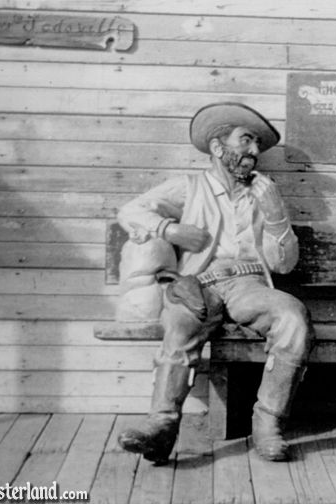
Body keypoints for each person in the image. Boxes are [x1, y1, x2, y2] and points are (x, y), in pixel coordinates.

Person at [116, 102, 313, 464]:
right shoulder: (189, 187)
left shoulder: (264, 193)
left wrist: (275, 215)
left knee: (293, 317)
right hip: (199, 286)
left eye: (256, 144)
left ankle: (267, 425)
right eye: (247, 140)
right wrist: (169, 229)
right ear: (219, 148)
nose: (254, 151)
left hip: (248, 285)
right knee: (178, 323)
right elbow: (129, 210)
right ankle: (160, 429)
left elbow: (283, 264)